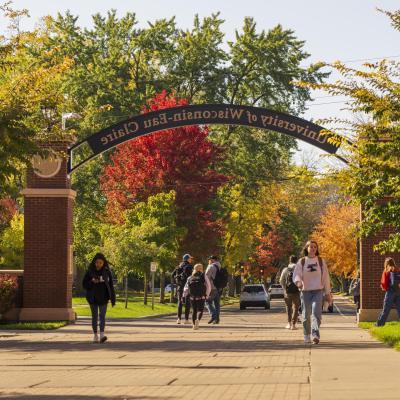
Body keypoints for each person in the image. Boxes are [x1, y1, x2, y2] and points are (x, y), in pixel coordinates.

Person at [293, 241, 332, 344]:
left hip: (318, 291)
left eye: (315, 247)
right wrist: (298, 282)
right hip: (305, 292)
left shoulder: (320, 261)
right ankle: (306, 335)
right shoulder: (302, 261)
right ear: (307, 248)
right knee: (306, 315)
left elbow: (325, 278)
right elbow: (296, 274)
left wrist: (327, 293)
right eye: (311, 247)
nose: (313, 248)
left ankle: (315, 334)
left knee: (316, 313)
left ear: (317, 249)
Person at [82, 253, 116, 343]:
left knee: (102, 316)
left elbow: (111, 286)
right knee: (94, 316)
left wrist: (112, 298)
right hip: (92, 298)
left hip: (103, 297)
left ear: (103, 263)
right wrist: (92, 281)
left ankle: (102, 334)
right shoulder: (90, 271)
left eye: (100, 263)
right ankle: (95, 335)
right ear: (94, 262)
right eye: (97, 262)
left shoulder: (107, 272)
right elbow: (84, 284)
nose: (98, 264)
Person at [183, 264, 211, 330]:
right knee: (200, 310)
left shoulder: (190, 277)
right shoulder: (204, 276)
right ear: (201, 269)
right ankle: (198, 320)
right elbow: (208, 286)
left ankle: (193, 325)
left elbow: (186, 288)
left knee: (194, 310)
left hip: (192, 296)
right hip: (201, 296)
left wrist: (184, 295)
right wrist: (207, 295)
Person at [376, 257, 400, 327]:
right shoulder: (398, 269)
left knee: (386, 310)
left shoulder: (386, 270)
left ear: (386, 263)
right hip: (398, 292)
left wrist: (384, 288)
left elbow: (384, 283)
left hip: (390, 292)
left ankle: (379, 324)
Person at [280, 255, 301, 330]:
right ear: (296, 261)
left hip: (287, 292)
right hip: (296, 291)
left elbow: (281, 280)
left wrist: (284, 288)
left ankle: (289, 323)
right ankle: (294, 324)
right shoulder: (298, 269)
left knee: (288, 307)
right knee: (296, 308)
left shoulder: (285, 269)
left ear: (289, 261)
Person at [172, 254, 194, 324]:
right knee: (187, 302)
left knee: (180, 302)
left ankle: (178, 319)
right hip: (187, 287)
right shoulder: (190, 266)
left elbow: (172, 275)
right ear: (187, 259)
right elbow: (191, 276)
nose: (191, 260)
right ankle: (186, 320)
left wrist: (177, 281)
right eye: (190, 258)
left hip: (180, 287)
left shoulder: (178, 266)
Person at [205, 255, 222, 324]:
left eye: (210, 259)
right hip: (218, 287)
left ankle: (213, 315)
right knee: (217, 304)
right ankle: (217, 319)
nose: (209, 261)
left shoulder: (211, 266)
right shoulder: (220, 266)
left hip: (211, 287)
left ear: (212, 260)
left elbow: (206, 277)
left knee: (207, 302)